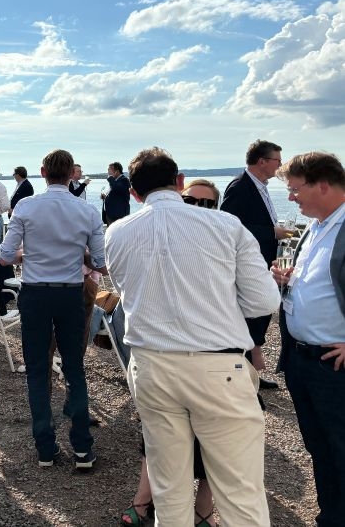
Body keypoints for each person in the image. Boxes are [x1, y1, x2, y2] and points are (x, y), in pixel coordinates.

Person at [105, 148, 278, 526]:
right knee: (240, 491)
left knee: (169, 491)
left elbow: (123, 289)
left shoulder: (117, 232)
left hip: (152, 365)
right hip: (218, 364)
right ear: (179, 181)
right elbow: (264, 300)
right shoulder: (226, 226)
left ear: (134, 193)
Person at [121, 177, 222, 527]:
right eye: (189, 202)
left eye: (205, 204)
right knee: (157, 434)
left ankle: (203, 510)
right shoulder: (158, 240)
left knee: (212, 440)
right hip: (163, 358)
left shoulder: (223, 242)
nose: (196, 209)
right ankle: (144, 501)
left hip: (213, 358)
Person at [0, 150, 106, 470]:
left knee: (37, 369)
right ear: (72, 173)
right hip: (70, 294)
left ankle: (45, 447)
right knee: (74, 368)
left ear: (43, 172)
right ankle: (82, 448)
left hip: (35, 294)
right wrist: (81, 257)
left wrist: (27, 256)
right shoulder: (86, 211)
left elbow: (5, 255)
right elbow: (100, 262)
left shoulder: (27, 206)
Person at [273, 152, 345, 526]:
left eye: (295, 189)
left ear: (322, 185)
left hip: (334, 363)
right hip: (302, 360)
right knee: (319, 447)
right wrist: (288, 282)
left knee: (340, 448)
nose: (291, 198)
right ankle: (329, 516)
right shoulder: (316, 227)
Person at [220, 139, 288, 389]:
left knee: (260, 314)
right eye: (277, 161)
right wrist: (272, 232)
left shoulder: (260, 185)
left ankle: (251, 373)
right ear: (262, 162)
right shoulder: (240, 186)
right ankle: (244, 377)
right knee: (252, 313)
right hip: (250, 261)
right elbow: (229, 225)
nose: (280, 166)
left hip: (264, 256)